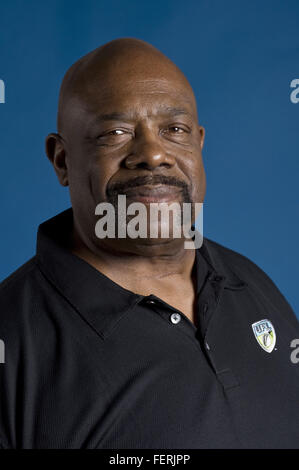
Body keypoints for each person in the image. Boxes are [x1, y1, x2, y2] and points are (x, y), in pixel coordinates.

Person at [0, 38, 298, 449]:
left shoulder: (250, 283)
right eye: (115, 132)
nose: (153, 154)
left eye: (174, 130)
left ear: (199, 143)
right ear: (62, 161)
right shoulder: (13, 343)